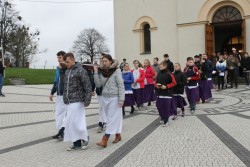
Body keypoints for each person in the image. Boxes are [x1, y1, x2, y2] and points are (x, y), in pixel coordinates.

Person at [61, 53, 92, 151]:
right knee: (70, 123)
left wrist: (87, 99)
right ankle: (76, 143)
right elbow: (65, 87)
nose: (67, 64)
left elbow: (87, 85)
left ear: (73, 60)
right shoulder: (66, 72)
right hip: (68, 101)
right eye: (65, 62)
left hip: (78, 100)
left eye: (68, 62)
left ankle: (85, 137)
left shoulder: (81, 70)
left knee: (77, 122)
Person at [94, 54, 125, 148]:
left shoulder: (117, 71)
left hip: (114, 98)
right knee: (110, 118)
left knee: (111, 119)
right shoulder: (101, 71)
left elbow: (121, 85)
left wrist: (121, 99)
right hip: (104, 97)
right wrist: (95, 72)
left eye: (106, 61)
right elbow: (98, 84)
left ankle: (105, 139)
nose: (104, 63)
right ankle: (118, 135)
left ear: (111, 61)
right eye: (103, 61)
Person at [49, 51, 66, 140]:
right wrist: (52, 93)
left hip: (66, 95)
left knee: (64, 114)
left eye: (60, 57)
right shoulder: (58, 69)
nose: (58, 59)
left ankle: (61, 132)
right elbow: (56, 82)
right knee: (58, 114)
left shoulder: (67, 68)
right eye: (58, 58)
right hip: (59, 95)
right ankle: (61, 131)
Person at [155, 61, 176, 127]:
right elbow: (155, 82)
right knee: (158, 106)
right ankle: (162, 116)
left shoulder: (169, 74)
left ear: (165, 66)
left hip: (167, 94)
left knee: (166, 108)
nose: (159, 67)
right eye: (159, 66)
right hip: (159, 93)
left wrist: (166, 86)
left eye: (160, 66)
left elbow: (174, 83)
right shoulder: (159, 73)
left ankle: (166, 121)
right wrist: (157, 85)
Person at [96, 53, 108, 133]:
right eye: (100, 59)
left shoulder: (108, 70)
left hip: (107, 93)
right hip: (99, 92)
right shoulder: (97, 69)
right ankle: (101, 124)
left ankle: (106, 123)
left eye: (102, 59)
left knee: (106, 109)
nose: (101, 61)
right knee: (101, 108)